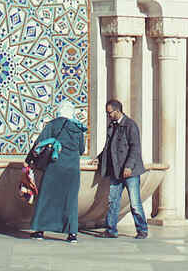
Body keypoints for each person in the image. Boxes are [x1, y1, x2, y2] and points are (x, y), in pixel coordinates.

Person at [28, 99, 86, 243]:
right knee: (70, 201)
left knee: (46, 198)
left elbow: (39, 143)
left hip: (55, 167)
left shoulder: (53, 125)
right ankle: (72, 234)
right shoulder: (78, 128)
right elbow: (81, 150)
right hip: (72, 169)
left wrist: (28, 160)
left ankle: (40, 230)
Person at [97, 99, 147, 239]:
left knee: (135, 202)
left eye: (109, 113)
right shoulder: (112, 126)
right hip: (116, 171)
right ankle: (111, 230)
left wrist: (129, 166)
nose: (108, 116)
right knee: (112, 201)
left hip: (129, 171)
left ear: (117, 111)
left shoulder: (130, 125)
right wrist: (99, 158)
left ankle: (142, 230)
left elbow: (135, 148)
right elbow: (108, 147)